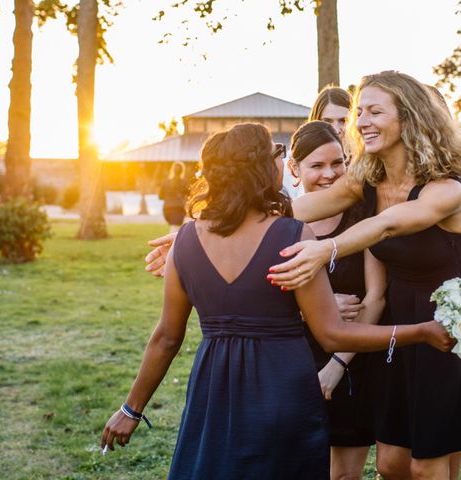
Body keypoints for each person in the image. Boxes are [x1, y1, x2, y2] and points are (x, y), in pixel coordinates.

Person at [100, 122, 454, 480]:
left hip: (213, 396)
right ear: (263, 168)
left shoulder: (185, 242)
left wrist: (131, 409)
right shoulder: (291, 235)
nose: (281, 161)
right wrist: (419, 332)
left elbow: (166, 337)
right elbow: (333, 334)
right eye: (277, 153)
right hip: (283, 394)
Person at [266, 71, 461, 480]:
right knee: (390, 464)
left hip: (447, 331)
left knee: (428, 467)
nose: (361, 121)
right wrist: (203, 228)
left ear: (409, 117)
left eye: (375, 111)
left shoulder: (448, 186)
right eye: (359, 112)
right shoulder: (368, 177)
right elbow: (300, 208)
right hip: (398, 329)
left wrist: (327, 248)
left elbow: (390, 225)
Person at [289, 120, 384, 480]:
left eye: (338, 163)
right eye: (316, 165)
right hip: (294, 361)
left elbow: (375, 297)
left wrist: (337, 366)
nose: (329, 174)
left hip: (351, 362)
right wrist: (313, 309)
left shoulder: (363, 218)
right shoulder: (281, 224)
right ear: (294, 169)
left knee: (344, 475)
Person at [159, 162, 189, 232]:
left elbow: (160, 196)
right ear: (182, 171)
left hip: (167, 210)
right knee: (175, 232)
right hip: (178, 210)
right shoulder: (184, 182)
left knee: (176, 230)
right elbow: (189, 195)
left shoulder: (166, 182)